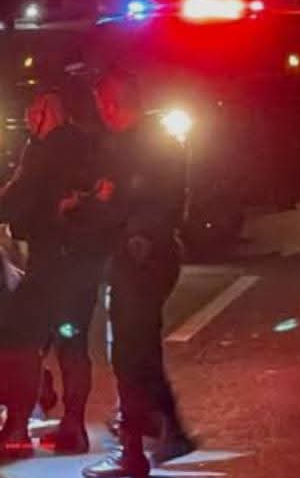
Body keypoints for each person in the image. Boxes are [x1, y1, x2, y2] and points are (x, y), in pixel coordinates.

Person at [82, 68, 194, 478]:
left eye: (103, 103)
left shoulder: (140, 145)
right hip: (145, 254)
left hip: (141, 257)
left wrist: (112, 208)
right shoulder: (149, 141)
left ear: (114, 103)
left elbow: (147, 203)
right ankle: (164, 429)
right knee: (139, 350)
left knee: (131, 354)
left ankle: (133, 450)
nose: (102, 111)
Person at [0, 92, 98, 458]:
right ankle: (73, 426)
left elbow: (18, 196)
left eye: (34, 113)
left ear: (49, 114)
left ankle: (17, 430)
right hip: (81, 262)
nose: (28, 119)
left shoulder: (44, 151)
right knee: (72, 342)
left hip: (51, 261)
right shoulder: (87, 145)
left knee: (20, 339)